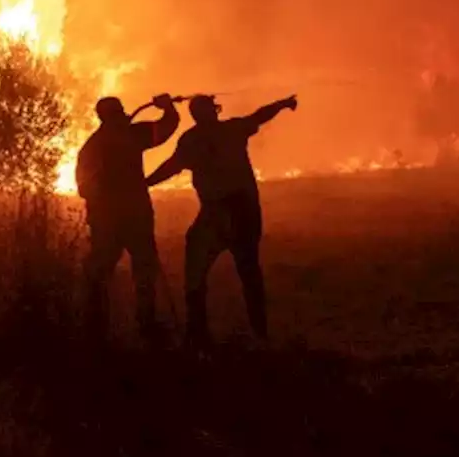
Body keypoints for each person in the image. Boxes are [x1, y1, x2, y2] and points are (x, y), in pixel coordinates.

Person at [144, 93, 297, 346]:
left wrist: (145, 182)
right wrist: (282, 104)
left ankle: (198, 333)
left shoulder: (192, 139)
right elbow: (260, 115)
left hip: (218, 212)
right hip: (243, 211)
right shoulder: (232, 129)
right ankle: (258, 332)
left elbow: (172, 166)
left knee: (198, 269)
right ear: (214, 110)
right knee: (248, 271)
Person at [75, 94, 180, 343]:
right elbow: (166, 128)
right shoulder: (132, 135)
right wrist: (167, 107)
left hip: (108, 221)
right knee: (143, 270)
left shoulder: (92, 146)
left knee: (102, 273)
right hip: (133, 218)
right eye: (118, 112)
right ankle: (145, 325)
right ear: (112, 115)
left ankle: (97, 329)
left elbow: (83, 188)